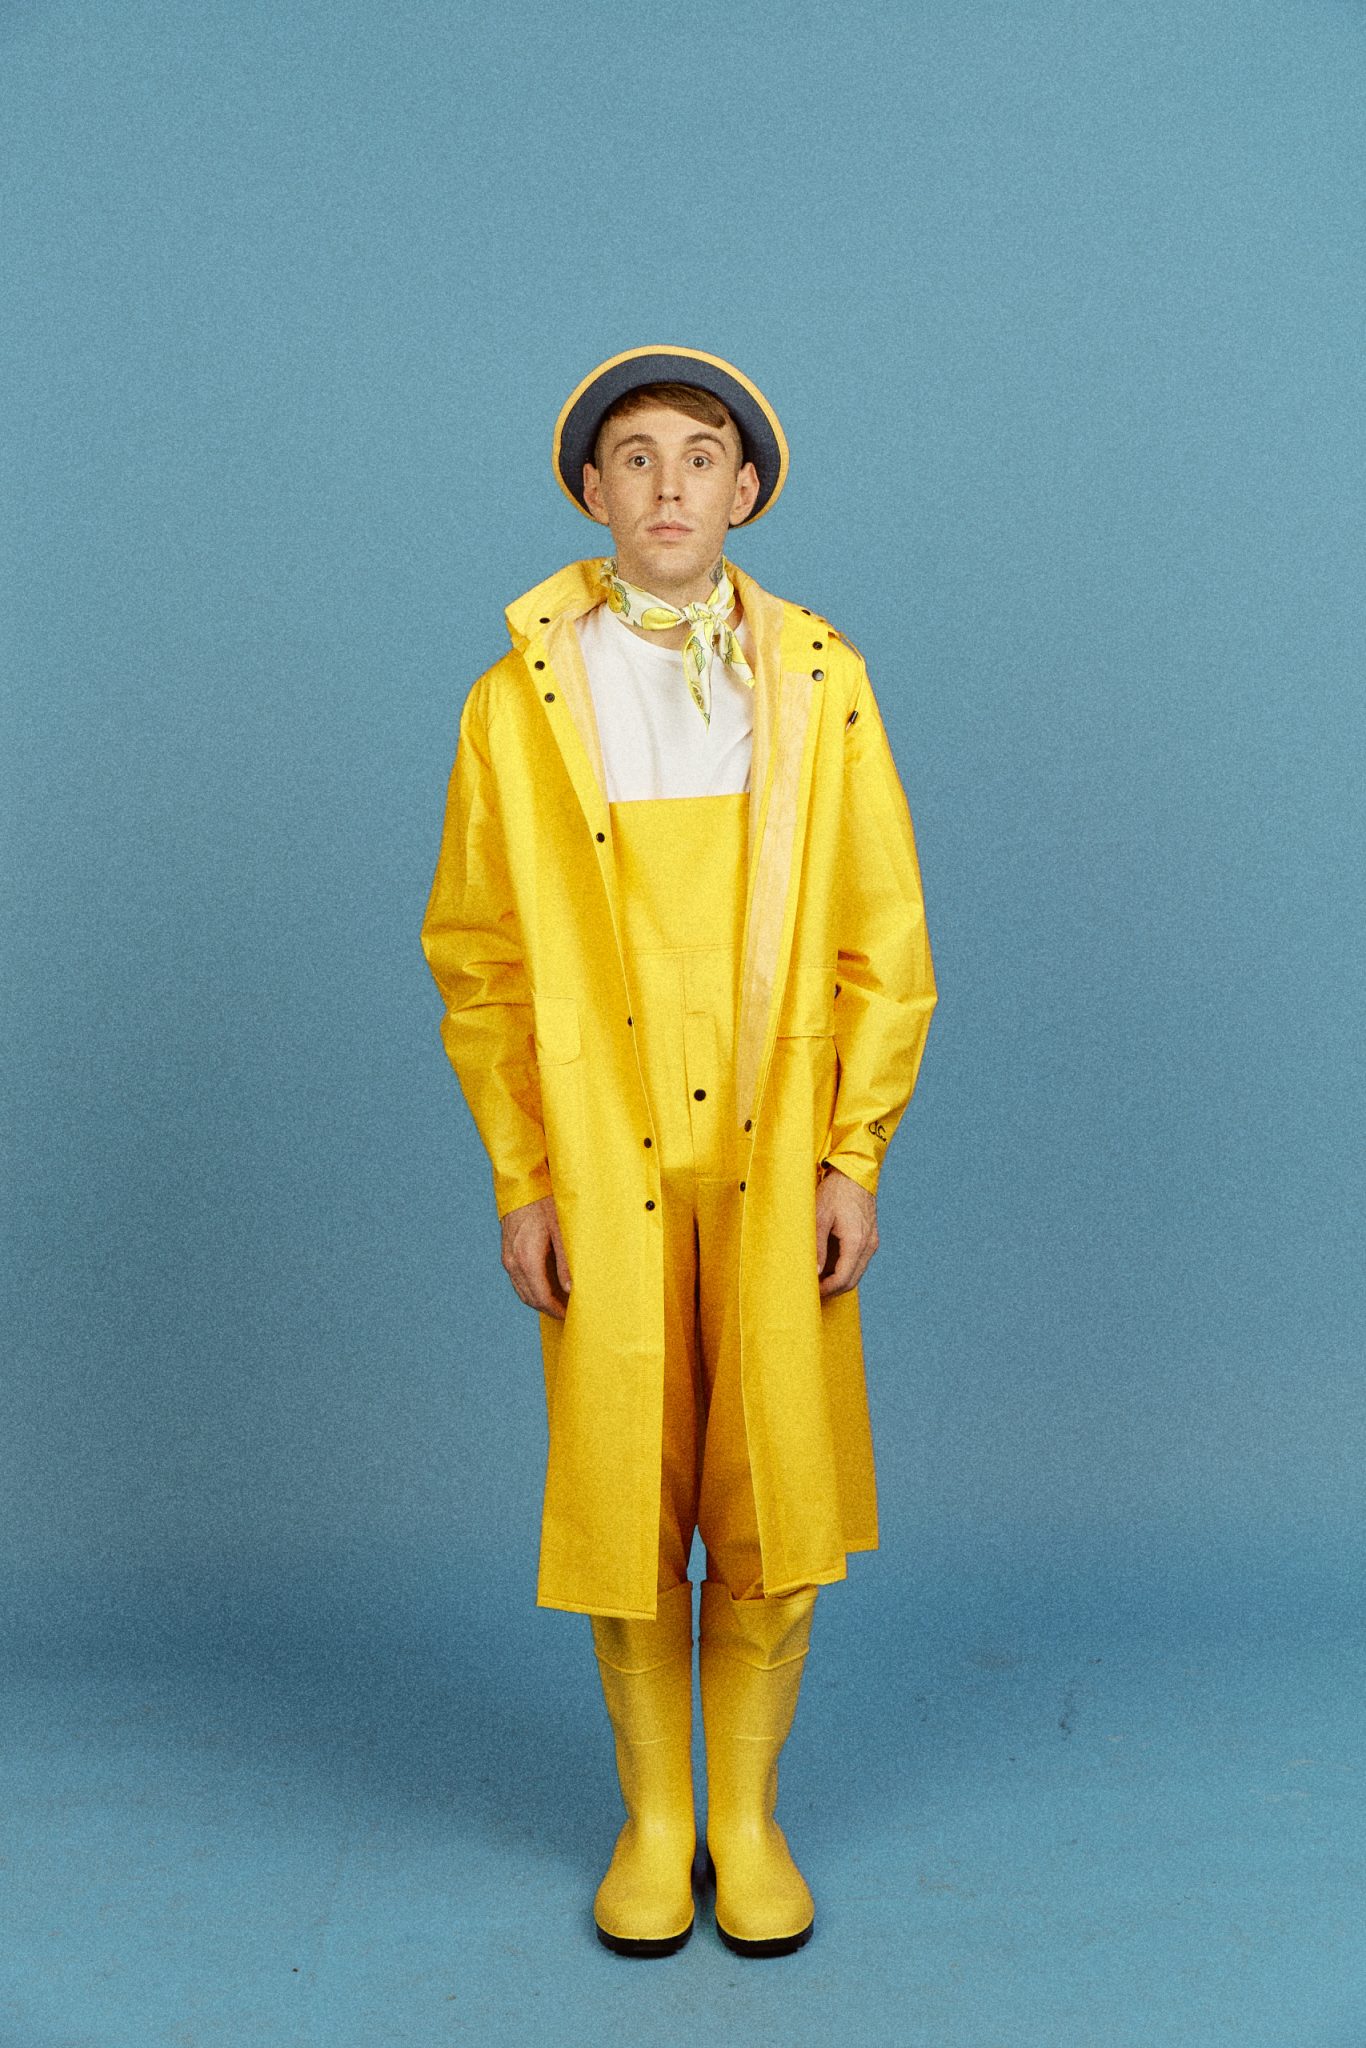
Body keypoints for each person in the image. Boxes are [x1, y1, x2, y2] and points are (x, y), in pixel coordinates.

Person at [421, 345, 936, 1958]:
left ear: (746, 490)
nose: (665, 485)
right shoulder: (516, 702)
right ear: (589, 489)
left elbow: (880, 940)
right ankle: (654, 1820)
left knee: (774, 1476)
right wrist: (524, 1173)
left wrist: (853, 1151)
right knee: (625, 1485)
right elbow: (481, 960)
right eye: (633, 456)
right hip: (601, 1149)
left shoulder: (822, 680)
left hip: (774, 1147)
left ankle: (744, 1816)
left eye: (698, 456)